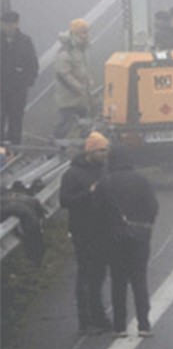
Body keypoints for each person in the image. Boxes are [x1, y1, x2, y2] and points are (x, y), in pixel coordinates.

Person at [97, 145, 158, 338]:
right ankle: (144, 324)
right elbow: (153, 206)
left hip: (114, 238)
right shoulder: (141, 180)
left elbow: (98, 210)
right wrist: (146, 225)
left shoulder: (105, 182)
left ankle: (119, 326)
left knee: (118, 281)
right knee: (139, 280)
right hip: (139, 236)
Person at [61, 131, 112, 335]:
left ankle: (98, 315)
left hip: (103, 229)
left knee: (98, 274)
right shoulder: (73, 174)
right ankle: (86, 318)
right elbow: (64, 201)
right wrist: (88, 193)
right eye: (101, 150)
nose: (105, 154)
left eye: (106, 150)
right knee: (85, 274)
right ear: (91, 151)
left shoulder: (104, 170)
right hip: (82, 230)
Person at [54, 19, 96, 139]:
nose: (85, 35)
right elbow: (63, 74)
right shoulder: (66, 51)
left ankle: (82, 147)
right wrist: (78, 87)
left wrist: (88, 83)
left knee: (85, 124)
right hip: (69, 97)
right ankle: (53, 149)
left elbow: (83, 69)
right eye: (82, 33)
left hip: (82, 97)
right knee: (65, 124)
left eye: (86, 32)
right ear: (74, 34)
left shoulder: (81, 50)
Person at [1, 10, 37, 144]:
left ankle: (14, 148)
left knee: (16, 118)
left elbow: (32, 64)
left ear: (16, 24)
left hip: (18, 89)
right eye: (5, 24)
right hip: (1, 88)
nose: (8, 27)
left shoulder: (25, 41)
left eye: (11, 24)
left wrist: (27, 81)